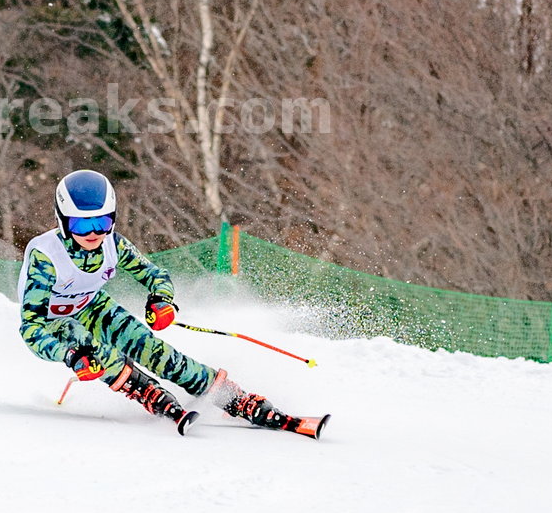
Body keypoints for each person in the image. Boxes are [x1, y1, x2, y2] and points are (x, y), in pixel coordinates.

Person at [18, 169, 324, 435]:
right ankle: (148, 392)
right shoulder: (47, 257)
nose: (94, 233)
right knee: (88, 346)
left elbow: (154, 274)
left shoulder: (113, 244)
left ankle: (234, 399)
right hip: (51, 320)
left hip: (91, 306)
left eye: (103, 222)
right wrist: (69, 356)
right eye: (82, 226)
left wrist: (161, 300)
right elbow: (31, 328)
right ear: (62, 221)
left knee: (147, 345)